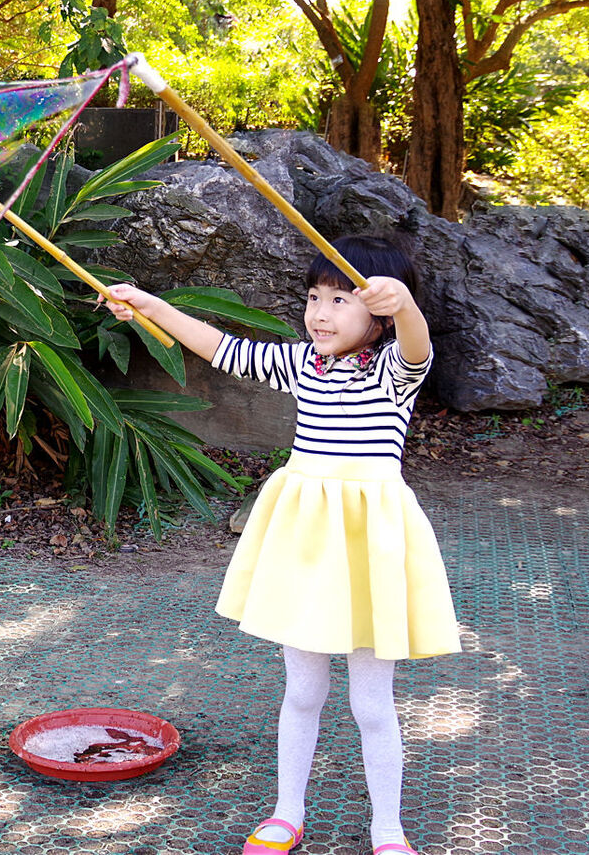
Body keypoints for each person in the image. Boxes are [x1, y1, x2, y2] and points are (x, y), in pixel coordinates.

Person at [101, 235, 460, 855]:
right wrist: (149, 304)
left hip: (370, 547)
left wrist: (403, 305)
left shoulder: (393, 372)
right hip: (306, 544)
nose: (320, 313)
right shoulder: (300, 363)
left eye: (341, 300)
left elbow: (417, 345)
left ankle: (388, 830)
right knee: (303, 692)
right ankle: (287, 813)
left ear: (375, 312)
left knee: (372, 703)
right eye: (314, 297)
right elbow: (220, 347)